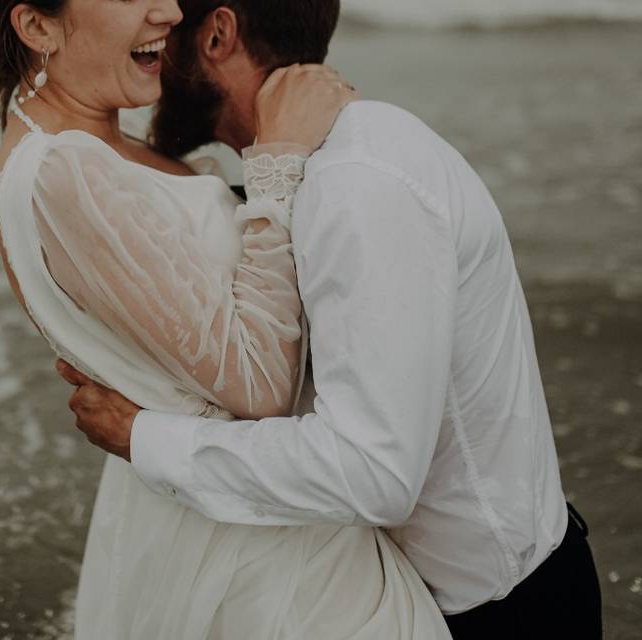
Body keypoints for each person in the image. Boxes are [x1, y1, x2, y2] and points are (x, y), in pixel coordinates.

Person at [57, 1, 605, 638]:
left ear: (217, 34)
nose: (153, 33)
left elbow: (373, 470)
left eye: (171, 21)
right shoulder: (301, 169)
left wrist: (144, 438)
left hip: (501, 615)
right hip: (416, 595)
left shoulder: (357, 180)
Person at [0, 0, 453, 637]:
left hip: (239, 500)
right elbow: (259, 386)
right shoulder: (63, 171)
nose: (169, 10)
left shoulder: (102, 149)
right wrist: (276, 160)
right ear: (37, 26)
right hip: (258, 556)